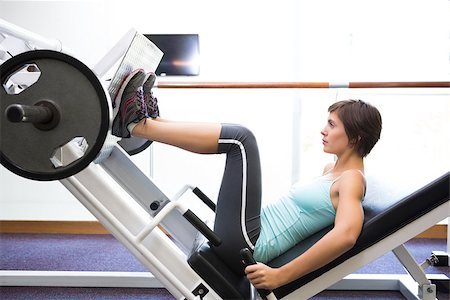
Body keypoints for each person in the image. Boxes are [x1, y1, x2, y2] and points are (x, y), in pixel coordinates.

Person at [112, 69, 383, 290]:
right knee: (239, 140)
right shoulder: (331, 170)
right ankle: (148, 121)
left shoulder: (352, 181)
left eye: (332, 125)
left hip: (249, 246)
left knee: (241, 140)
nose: (323, 130)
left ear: (356, 138)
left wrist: (281, 275)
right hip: (249, 234)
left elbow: (346, 235)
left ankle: (137, 125)